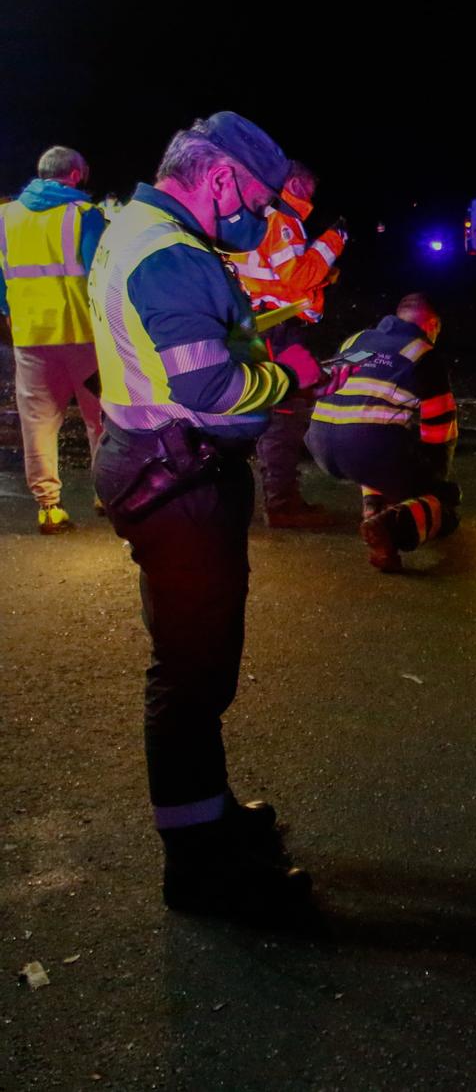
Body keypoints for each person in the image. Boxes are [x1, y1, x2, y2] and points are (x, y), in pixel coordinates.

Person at [89, 112, 319, 920]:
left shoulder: (139, 229)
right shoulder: (173, 256)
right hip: (178, 482)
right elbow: (213, 390)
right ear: (221, 179)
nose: (258, 223)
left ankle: (209, 817)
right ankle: (198, 870)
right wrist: (286, 376)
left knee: (195, 669)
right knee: (191, 678)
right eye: (256, 203)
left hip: (154, 465)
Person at [224, 161, 346, 527]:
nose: (310, 197)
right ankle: (281, 504)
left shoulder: (251, 213)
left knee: (264, 407)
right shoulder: (282, 219)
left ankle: (264, 497)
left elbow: (269, 274)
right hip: (278, 329)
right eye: (308, 188)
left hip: (255, 325)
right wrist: (334, 240)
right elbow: (296, 278)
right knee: (287, 412)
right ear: (293, 182)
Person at [306, 292, 460, 572]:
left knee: (382, 438)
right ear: (433, 324)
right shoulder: (423, 352)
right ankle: (391, 527)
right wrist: (435, 486)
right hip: (368, 447)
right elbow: (440, 428)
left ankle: (373, 509)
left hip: (320, 442)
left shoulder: (360, 341)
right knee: (443, 506)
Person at [0, 146, 107, 532]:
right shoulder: (85, 216)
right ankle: (106, 493)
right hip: (84, 335)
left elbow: (1, 280)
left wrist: (12, 314)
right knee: (101, 418)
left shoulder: (5, 216)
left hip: (30, 335)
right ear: (76, 175)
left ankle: (48, 507)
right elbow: (102, 274)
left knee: (38, 423)